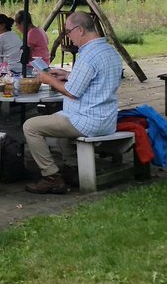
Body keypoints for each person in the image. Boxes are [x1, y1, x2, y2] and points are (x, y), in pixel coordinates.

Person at [22, 11, 122, 194]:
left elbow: (72, 92)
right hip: (106, 119)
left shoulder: (88, 55)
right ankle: (72, 170)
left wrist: (48, 79)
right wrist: (67, 75)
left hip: (86, 120)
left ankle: (51, 176)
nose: (67, 37)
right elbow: (95, 79)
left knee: (30, 126)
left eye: (68, 32)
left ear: (80, 30)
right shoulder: (109, 50)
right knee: (59, 125)